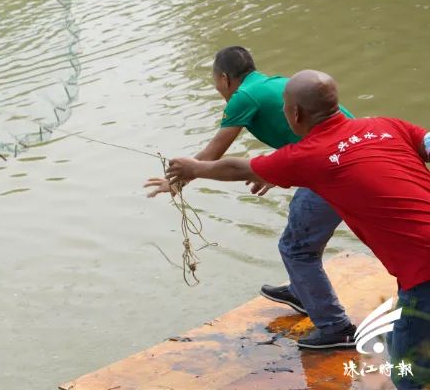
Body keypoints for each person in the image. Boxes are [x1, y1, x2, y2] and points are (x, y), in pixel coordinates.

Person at [165, 70, 430, 390]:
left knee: (408, 375)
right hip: (418, 275)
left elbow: (239, 168)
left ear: (293, 113)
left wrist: (194, 168)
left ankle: (331, 323)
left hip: (423, 275)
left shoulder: (310, 154)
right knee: (397, 336)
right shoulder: (385, 125)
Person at [145, 47, 357, 349]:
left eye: (215, 82)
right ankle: (302, 291)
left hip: (332, 172)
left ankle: (336, 327)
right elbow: (307, 135)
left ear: (223, 78)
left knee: (295, 248)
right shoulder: (272, 84)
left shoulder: (242, 97)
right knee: (300, 233)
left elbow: (212, 155)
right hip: (343, 158)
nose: (218, 88)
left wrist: (175, 183)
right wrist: (277, 171)